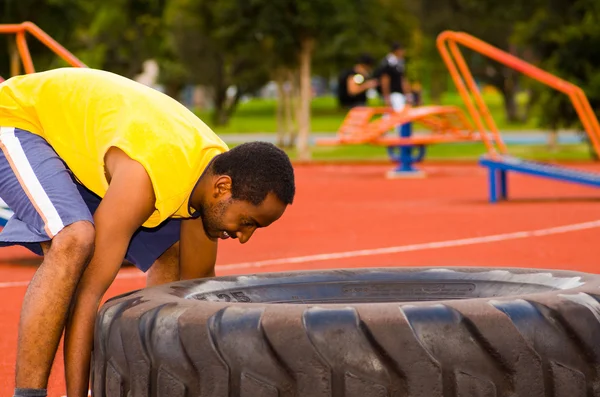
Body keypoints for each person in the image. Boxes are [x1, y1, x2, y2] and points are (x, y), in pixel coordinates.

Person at [0, 67, 296, 397]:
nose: (244, 237)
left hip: (84, 146)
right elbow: (86, 297)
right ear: (223, 188)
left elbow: (193, 302)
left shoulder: (214, 176)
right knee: (75, 239)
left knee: (176, 260)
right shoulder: (143, 179)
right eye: (247, 222)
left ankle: (157, 385)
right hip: (20, 119)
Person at [374, 42, 413, 111]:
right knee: (397, 115)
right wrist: (387, 97)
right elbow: (384, 80)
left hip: (399, 94)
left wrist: (408, 94)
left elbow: (402, 79)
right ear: (397, 50)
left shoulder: (399, 62)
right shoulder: (388, 63)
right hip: (393, 95)